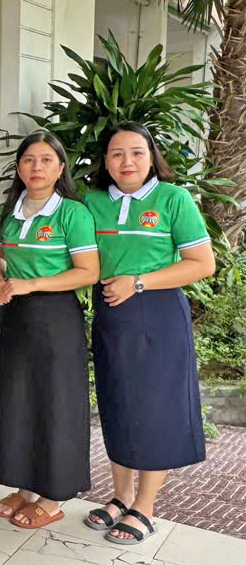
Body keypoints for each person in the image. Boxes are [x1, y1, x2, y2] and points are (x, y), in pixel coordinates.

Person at [83, 122, 215, 545]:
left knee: (154, 409)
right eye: (117, 153)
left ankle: (145, 506)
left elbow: (202, 263)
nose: (127, 161)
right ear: (105, 161)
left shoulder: (173, 198)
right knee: (116, 403)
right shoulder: (92, 201)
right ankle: (121, 497)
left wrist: (138, 282)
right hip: (110, 315)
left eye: (137, 152)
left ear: (152, 156)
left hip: (158, 315)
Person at [0, 131, 98, 529]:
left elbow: (88, 272)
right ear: (18, 167)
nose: (36, 167)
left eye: (46, 160)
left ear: (60, 167)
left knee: (56, 404)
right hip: (15, 316)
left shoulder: (72, 213)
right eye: (29, 160)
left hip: (56, 317)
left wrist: (31, 284)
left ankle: (53, 496)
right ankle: (26, 487)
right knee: (18, 400)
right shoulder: (9, 210)